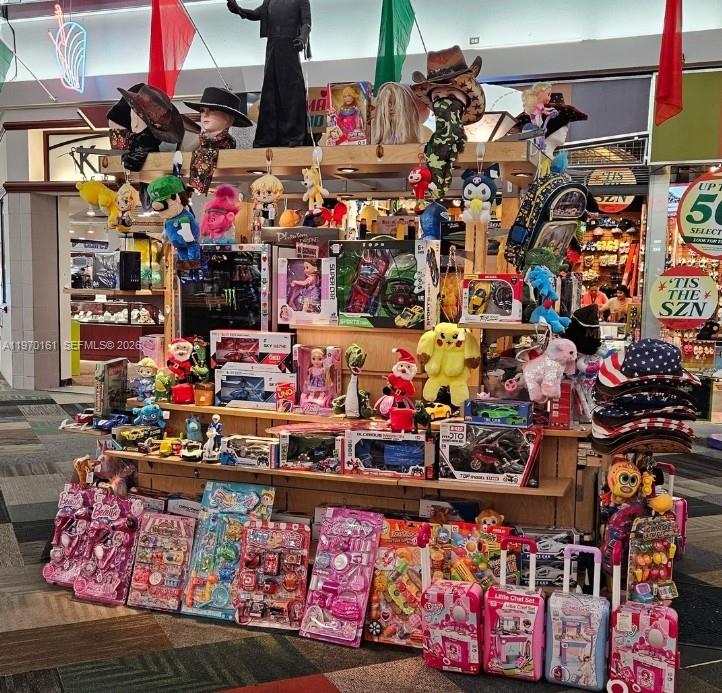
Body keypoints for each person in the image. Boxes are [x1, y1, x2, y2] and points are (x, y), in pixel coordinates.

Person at [226, 0, 311, 148]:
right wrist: (238, 9)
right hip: (272, 48)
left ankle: (293, 136)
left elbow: (307, 24)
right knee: (270, 93)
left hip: (290, 47)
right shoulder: (270, 0)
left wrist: (302, 38)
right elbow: (256, 14)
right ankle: (268, 137)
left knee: (291, 93)